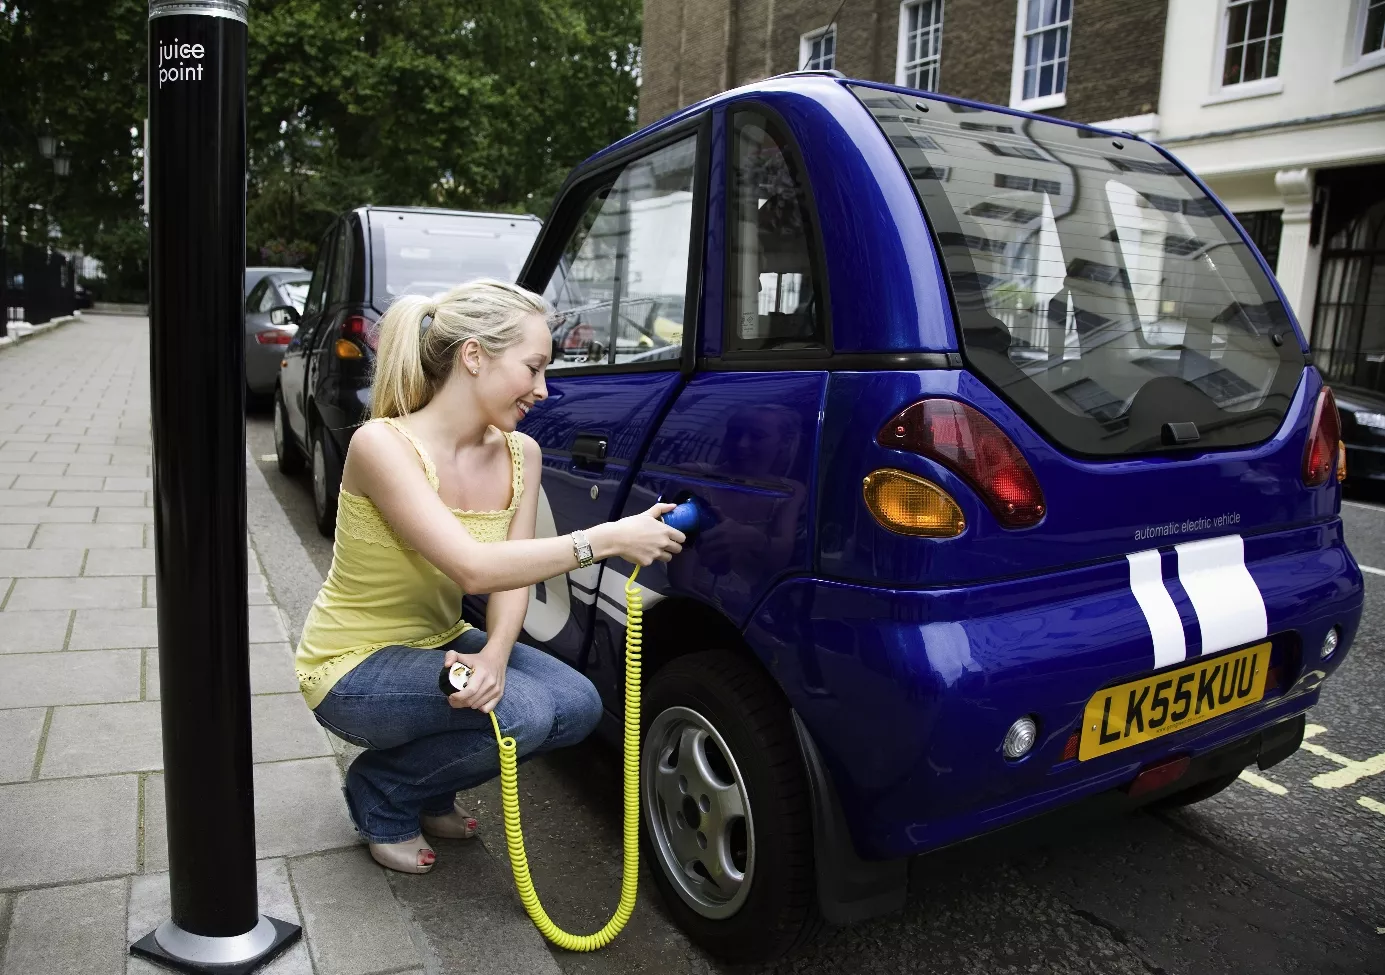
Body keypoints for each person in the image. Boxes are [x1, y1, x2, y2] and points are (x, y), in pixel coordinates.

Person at [294, 278, 684, 875]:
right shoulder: (382, 446)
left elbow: (510, 579)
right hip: (353, 665)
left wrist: (497, 655)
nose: (543, 390)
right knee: (523, 712)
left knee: (577, 704)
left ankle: (428, 787)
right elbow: (472, 567)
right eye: (532, 368)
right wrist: (606, 539)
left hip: (438, 642)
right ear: (474, 356)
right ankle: (384, 793)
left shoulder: (520, 452)